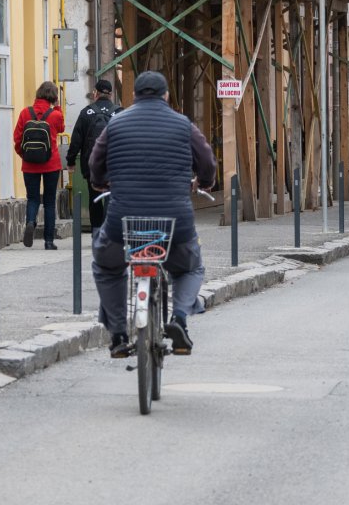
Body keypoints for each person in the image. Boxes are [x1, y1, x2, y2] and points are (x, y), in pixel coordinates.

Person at [88, 71, 216, 358]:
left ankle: (119, 334)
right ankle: (180, 318)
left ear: (133, 95)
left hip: (123, 223)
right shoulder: (184, 125)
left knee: (107, 266)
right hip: (175, 225)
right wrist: (205, 183)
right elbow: (206, 161)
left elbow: (96, 161)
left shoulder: (115, 124)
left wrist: (100, 181)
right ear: (166, 96)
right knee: (191, 267)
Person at [14, 81, 65, 249]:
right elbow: (61, 128)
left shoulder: (24, 113)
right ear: (53, 97)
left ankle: (30, 222)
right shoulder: (55, 115)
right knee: (50, 202)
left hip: (29, 165)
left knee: (32, 198)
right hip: (51, 163)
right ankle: (49, 241)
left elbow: (17, 139)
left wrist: (25, 156)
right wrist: (57, 108)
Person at [67, 79, 121, 230]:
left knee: (94, 197)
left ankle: (96, 230)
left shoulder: (86, 112)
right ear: (111, 94)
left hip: (92, 164)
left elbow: (76, 140)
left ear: (96, 93)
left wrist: (71, 161)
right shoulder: (119, 112)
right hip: (114, 165)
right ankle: (108, 229)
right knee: (111, 197)